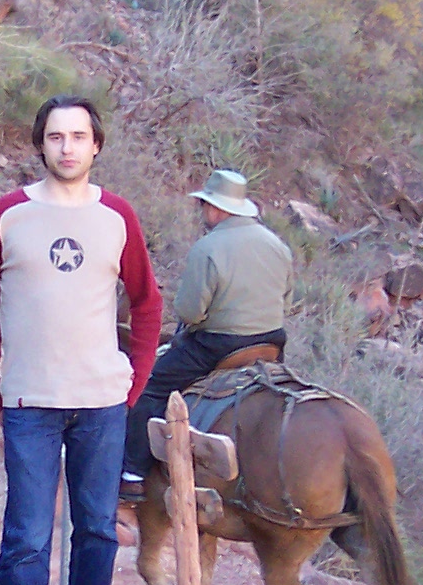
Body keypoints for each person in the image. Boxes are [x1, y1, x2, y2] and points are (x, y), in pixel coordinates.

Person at [0, 96, 162, 585]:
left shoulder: (117, 217)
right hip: (31, 402)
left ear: (96, 144)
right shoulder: (7, 216)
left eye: (78, 136)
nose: (67, 147)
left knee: (98, 531)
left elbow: (147, 303)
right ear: (40, 144)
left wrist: (132, 382)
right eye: (55, 137)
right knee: (26, 539)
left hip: (101, 402)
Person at [121, 167, 294, 500]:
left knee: (150, 386)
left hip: (218, 346)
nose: (202, 211)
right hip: (271, 344)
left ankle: (131, 473)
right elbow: (286, 299)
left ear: (215, 208)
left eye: (204, 205)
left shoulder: (208, 247)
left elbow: (190, 313)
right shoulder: (278, 246)